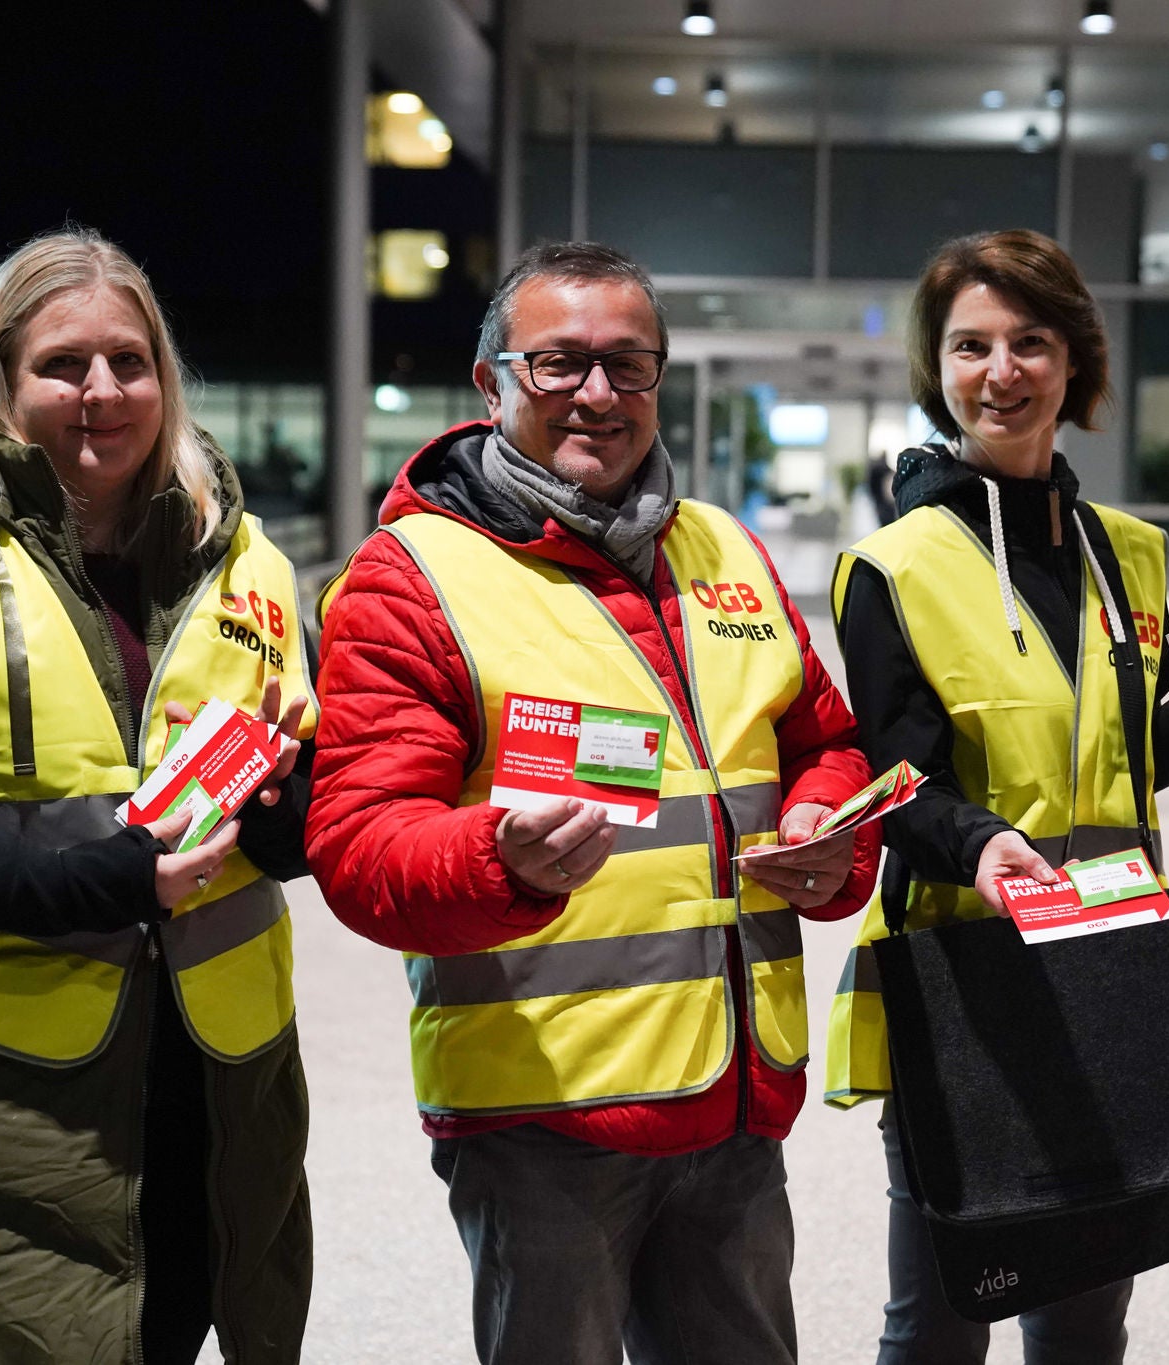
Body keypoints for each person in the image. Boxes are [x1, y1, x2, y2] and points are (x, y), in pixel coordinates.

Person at [308, 240, 882, 1365]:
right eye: (557, 363)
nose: (597, 394)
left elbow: (824, 739)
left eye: (628, 365)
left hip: (732, 1094)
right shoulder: (410, 576)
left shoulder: (723, 548)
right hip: (542, 1116)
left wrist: (827, 831)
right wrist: (494, 858)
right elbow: (356, 848)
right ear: (490, 384)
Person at [0, 228, 319, 1363]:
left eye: (129, 363)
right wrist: (110, 878)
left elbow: (283, 829)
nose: (101, 392)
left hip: (214, 1092)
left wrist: (286, 806)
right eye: (62, 365)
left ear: (164, 380)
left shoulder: (253, 570)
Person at [826, 229, 1169, 1365]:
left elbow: (1119, 764)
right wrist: (980, 844)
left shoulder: (1126, 555)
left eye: (1029, 341)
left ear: (1072, 361)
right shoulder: (892, 566)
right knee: (942, 1317)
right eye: (970, 345)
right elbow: (895, 785)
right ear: (936, 369)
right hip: (965, 974)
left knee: (1088, 1312)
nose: (1001, 371)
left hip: (1108, 958)